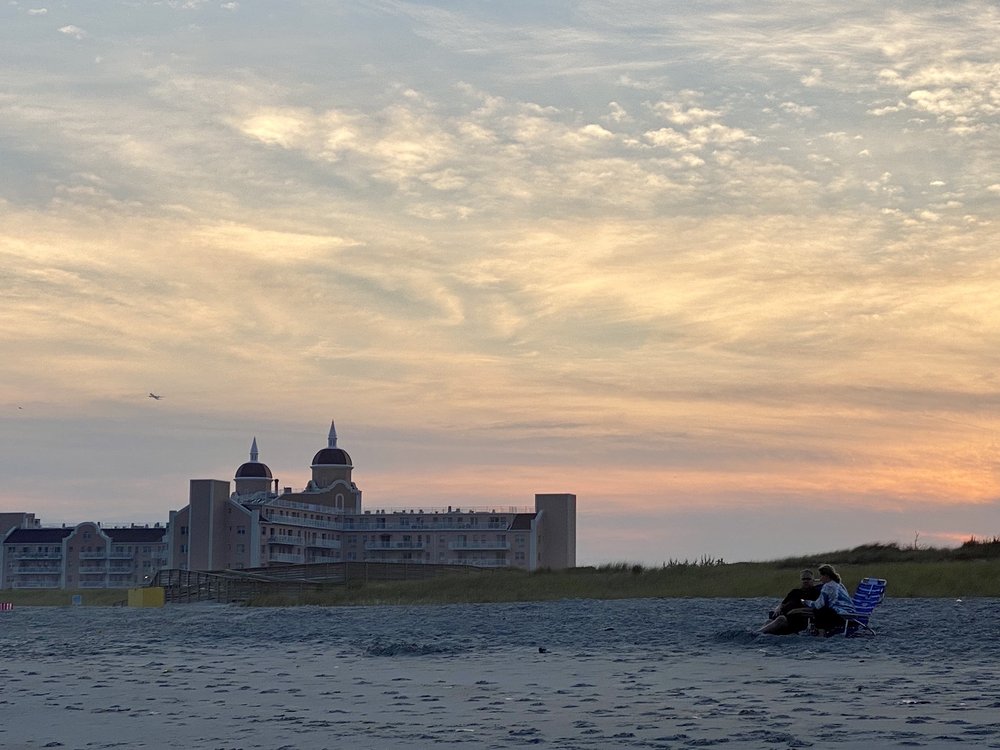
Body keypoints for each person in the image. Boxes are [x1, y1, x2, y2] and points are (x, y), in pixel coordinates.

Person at [758, 569, 823, 635]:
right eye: (803, 579)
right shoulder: (794, 592)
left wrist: (795, 611)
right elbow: (782, 603)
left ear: (813, 580)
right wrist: (778, 608)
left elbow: (815, 609)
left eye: (808, 579)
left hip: (797, 621)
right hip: (785, 617)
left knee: (781, 619)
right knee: (769, 621)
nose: (805, 581)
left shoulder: (816, 593)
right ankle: (760, 634)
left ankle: (757, 633)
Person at [800, 563, 855, 636]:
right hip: (850, 612)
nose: (820, 578)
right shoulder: (839, 584)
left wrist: (805, 601)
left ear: (826, 576)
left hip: (840, 614)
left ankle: (821, 633)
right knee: (823, 609)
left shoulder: (827, 586)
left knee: (819, 610)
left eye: (821, 576)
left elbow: (818, 604)